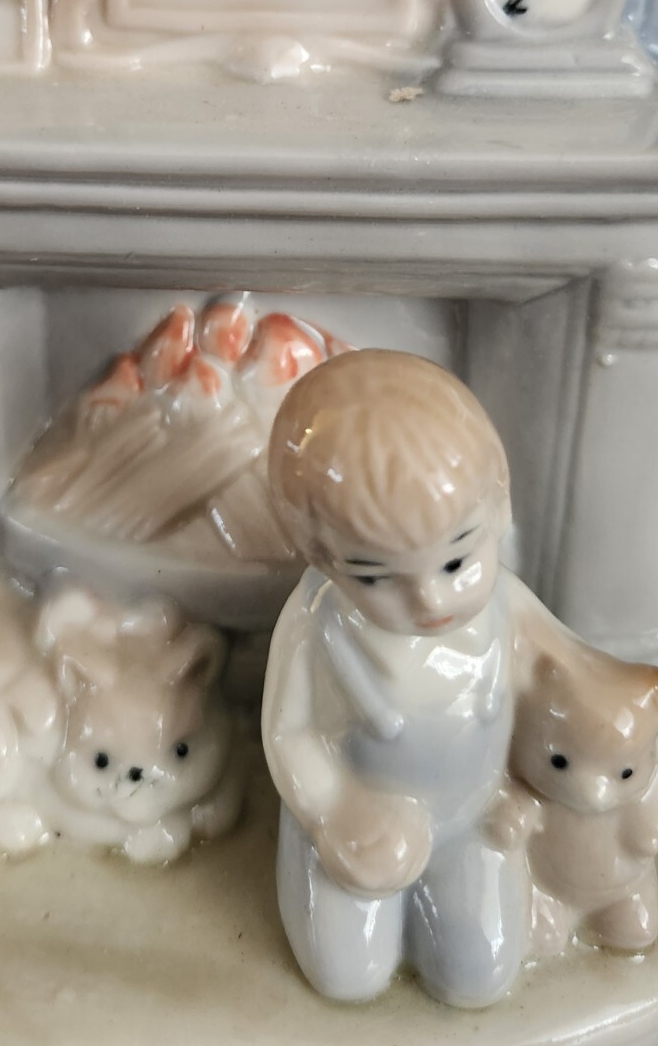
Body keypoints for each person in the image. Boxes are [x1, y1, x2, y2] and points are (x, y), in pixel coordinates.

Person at [261, 348, 537, 1007]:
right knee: (347, 979)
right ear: (321, 557)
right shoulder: (316, 625)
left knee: (480, 977)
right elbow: (287, 733)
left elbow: (561, 678)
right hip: (360, 829)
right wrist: (332, 810)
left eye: (456, 560)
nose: (430, 602)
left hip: (471, 820)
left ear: (497, 510)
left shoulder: (506, 605)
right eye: (377, 576)